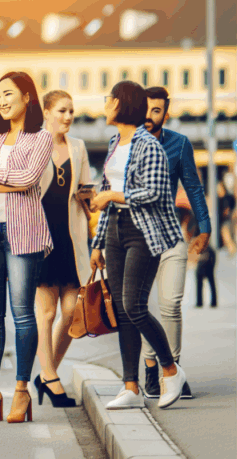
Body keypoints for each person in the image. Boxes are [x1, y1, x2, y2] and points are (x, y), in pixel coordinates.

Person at [89, 81, 187, 410]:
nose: (105, 104)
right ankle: (130, 387)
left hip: (143, 232)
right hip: (115, 229)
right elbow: (107, 194)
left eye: (109, 99)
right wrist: (97, 244)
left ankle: (171, 371)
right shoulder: (116, 142)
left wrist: (113, 196)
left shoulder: (149, 145)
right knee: (121, 310)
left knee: (134, 305)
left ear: (123, 104)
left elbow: (156, 193)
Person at [0, 71, 54, 424]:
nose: (2, 101)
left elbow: (29, 178)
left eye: (9, 94)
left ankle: (21, 392)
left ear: (27, 97)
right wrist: (3, 182)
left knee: (22, 314)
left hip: (24, 233)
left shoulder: (40, 137)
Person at [139, 87, 212, 400]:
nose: (149, 116)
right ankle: (151, 370)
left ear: (165, 114)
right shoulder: (129, 144)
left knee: (170, 305)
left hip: (170, 236)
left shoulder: (178, 144)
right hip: (138, 237)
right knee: (143, 307)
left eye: (156, 110)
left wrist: (205, 227)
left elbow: (194, 188)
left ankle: (175, 372)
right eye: (145, 109)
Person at [32, 90, 95, 408]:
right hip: (42, 240)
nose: (68, 117)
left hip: (71, 241)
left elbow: (86, 193)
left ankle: (47, 373)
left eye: (72, 111)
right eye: (62, 110)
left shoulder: (79, 147)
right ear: (46, 112)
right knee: (46, 312)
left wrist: (98, 215)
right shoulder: (32, 144)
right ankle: (50, 377)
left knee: (72, 313)